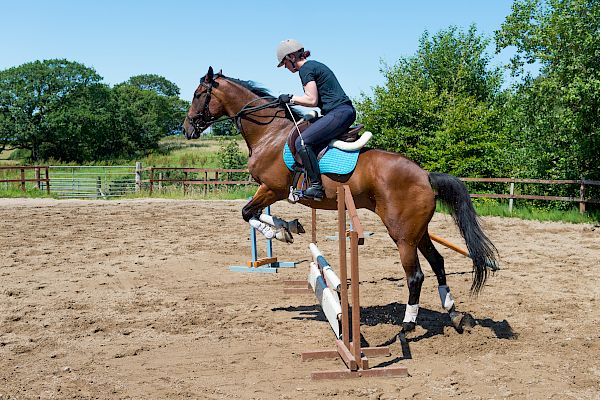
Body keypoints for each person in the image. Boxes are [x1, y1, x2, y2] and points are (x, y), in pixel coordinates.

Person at [276, 39, 356, 201]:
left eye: (284, 63)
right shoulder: (312, 66)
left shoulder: (305, 69)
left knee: (302, 142)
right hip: (340, 112)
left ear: (291, 56)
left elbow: (311, 100)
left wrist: (290, 98)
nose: (285, 67)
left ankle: (316, 187)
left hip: (339, 112)